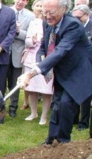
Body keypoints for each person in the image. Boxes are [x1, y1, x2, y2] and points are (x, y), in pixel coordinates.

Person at [18, 0, 92, 145]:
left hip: (79, 71)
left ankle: (63, 142)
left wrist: (31, 73)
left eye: (51, 12)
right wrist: (41, 59)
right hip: (63, 71)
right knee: (57, 105)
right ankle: (51, 140)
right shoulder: (47, 22)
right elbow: (43, 47)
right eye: (45, 12)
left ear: (63, 9)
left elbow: (60, 51)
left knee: (65, 104)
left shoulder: (73, 25)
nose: (47, 16)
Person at [22, 0, 53, 125]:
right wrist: (33, 41)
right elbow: (27, 40)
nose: (40, 8)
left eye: (42, 6)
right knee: (32, 87)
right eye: (37, 6)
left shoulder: (50, 22)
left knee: (46, 89)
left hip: (47, 57)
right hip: (31, 58)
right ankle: (33, 113)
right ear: (34, 8)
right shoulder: (32, 23)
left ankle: (44, 116)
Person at [7, 0, 35, 118]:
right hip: (4, 51)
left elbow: (30, 36)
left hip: (18, 53)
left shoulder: (31, 16)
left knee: (15, 82)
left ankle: (13, 107)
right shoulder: (6, 11)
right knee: (0, 81)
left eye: (23, 0)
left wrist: (18, 31)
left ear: (26, 2)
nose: (19, 1)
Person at [72, 5, 92, 131]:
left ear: (86, 15)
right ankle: (73, 118)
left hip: (89, 63)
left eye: (79, 17)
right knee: (74, 91)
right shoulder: (74, 26)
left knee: (86, 93)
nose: (76, 20)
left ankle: (83, 122)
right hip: (76, 63)